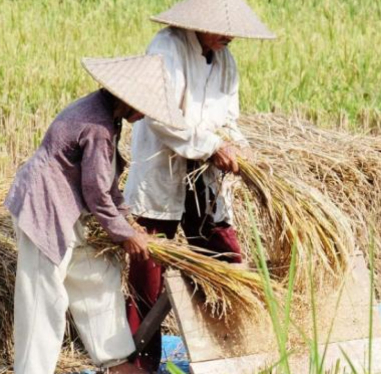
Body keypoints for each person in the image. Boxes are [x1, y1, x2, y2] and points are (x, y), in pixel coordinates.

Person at [4, 55, 185, 374]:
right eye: (143, 107)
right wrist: (124, 234)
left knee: (98, 274)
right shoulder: (98, 125)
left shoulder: (108, 117)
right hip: (44, 206)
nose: (143, 116)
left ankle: (116, 360)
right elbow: (96, 192)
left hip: (69, 208)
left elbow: (107, 182)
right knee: (43, 296)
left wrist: (127, 220)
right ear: (128, 99)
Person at [122, 0, 276, 370]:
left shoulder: (225, 61)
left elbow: (230, 119)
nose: (230, 36)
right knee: (147, 271)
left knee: (226, 258)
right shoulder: (167, 48)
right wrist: (210, 146)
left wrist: (239, 149)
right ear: (197, 23)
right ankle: (136, 364)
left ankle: (234, 355)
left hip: (205, 179)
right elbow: (159, 115)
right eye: (221, 27)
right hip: (162, 172)